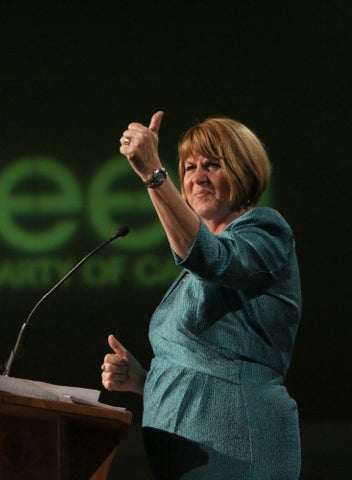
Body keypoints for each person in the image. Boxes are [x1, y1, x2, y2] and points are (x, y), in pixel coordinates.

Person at [100, 112, 301, 479]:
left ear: (243, 170)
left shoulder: (265, 230)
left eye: (212, 164)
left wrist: (153, 175)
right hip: (189, 459)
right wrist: (144, 379)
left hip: (238, 447)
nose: (196, 176)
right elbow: (202, 362)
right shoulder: (196, 269)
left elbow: (211, 258)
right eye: (188, 167)